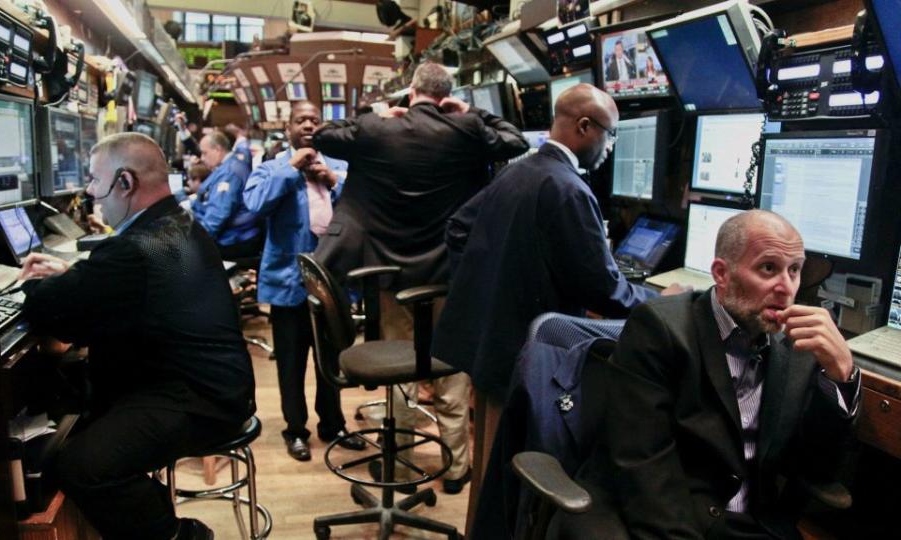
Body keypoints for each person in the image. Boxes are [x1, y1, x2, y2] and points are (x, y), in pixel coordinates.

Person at [431, 83, 683, 532]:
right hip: (523, 352)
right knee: (505, 476)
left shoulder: (519, 169)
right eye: (610, 134)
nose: (610, 147)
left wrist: (492, 285)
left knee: (489, 466)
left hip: (491, 339)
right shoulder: (568, 188)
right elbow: (603, 289)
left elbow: (459, 229)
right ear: (585, 127)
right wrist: (661, 303)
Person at [554, 210, 859, 539]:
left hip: (754, 524)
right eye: (768, 268)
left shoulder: (799, 347)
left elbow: (817, 469)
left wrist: (841, 375)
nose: (786, 287)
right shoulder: (659, 329)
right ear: (722, 273)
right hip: (664, 517)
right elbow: (642, 466)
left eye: (795, 270)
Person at [19, 133, 256, 540]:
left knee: (81, 466)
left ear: (125, 183)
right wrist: (73, 278)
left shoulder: (134, 248)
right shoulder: (179, 223)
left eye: (95, 180)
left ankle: (181, 536)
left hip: (198, 400)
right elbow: (116, 288)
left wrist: (25, 285)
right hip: (216, 385)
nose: (91, 192)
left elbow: (49, 309)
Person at [312, 61, 529, 494]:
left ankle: (404, 462)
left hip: (391, 273)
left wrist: (377, 112)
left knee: (402, 366)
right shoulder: (465, 129)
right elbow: (516, 141)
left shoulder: (377, 130)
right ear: (445, 95)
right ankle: (455, 467)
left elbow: (322, 135)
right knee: (451, 368)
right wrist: (473, 111)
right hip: (450, 271)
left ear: (410, 91)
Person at [242, 101, 364, 461]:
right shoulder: (271, 168)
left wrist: (333, 182)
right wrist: (293, 169)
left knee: (331, 360)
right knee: (291, 363)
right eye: (301, 120)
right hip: (287, 282)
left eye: (314, 119)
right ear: (288, 128)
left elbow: (362, 207)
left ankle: (333, 425)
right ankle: (295, 429)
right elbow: (254, 205)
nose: (308, 125)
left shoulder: (339, 167)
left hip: (332, 280)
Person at [192, 131, 263, 260]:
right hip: (235, 235)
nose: (202, 158)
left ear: (218, 149)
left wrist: (196, 242)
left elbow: (218, 215)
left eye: (205, 153)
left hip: (232, 240)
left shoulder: (229, 173)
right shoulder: (232, 164)